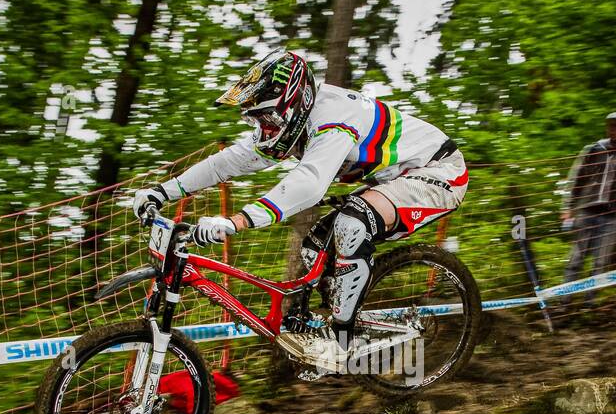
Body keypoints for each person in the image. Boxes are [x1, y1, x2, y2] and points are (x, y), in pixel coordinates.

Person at [131, 50, 468, 371]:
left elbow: (309, 183)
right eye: (256, 118)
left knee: (353, 224)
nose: (265, 126)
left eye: (269, 116)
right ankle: (335, 319)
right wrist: (162, 192)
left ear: (297, 102)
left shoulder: (333, 119)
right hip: (394, 179)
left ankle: (342, 340)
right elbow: (227, 162)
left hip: (439, 173)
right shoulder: (286, 126)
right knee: (315, 245)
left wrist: (236, 221)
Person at [560, 112, 616, 305]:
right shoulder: (594, 149)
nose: (613, 129)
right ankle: (565, 301)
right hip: (587, 211)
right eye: (610, 125)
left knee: (601, 262)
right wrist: (568, 207)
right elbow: (576, 179)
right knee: (576, 258)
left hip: (613, 216)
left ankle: (589, 303)